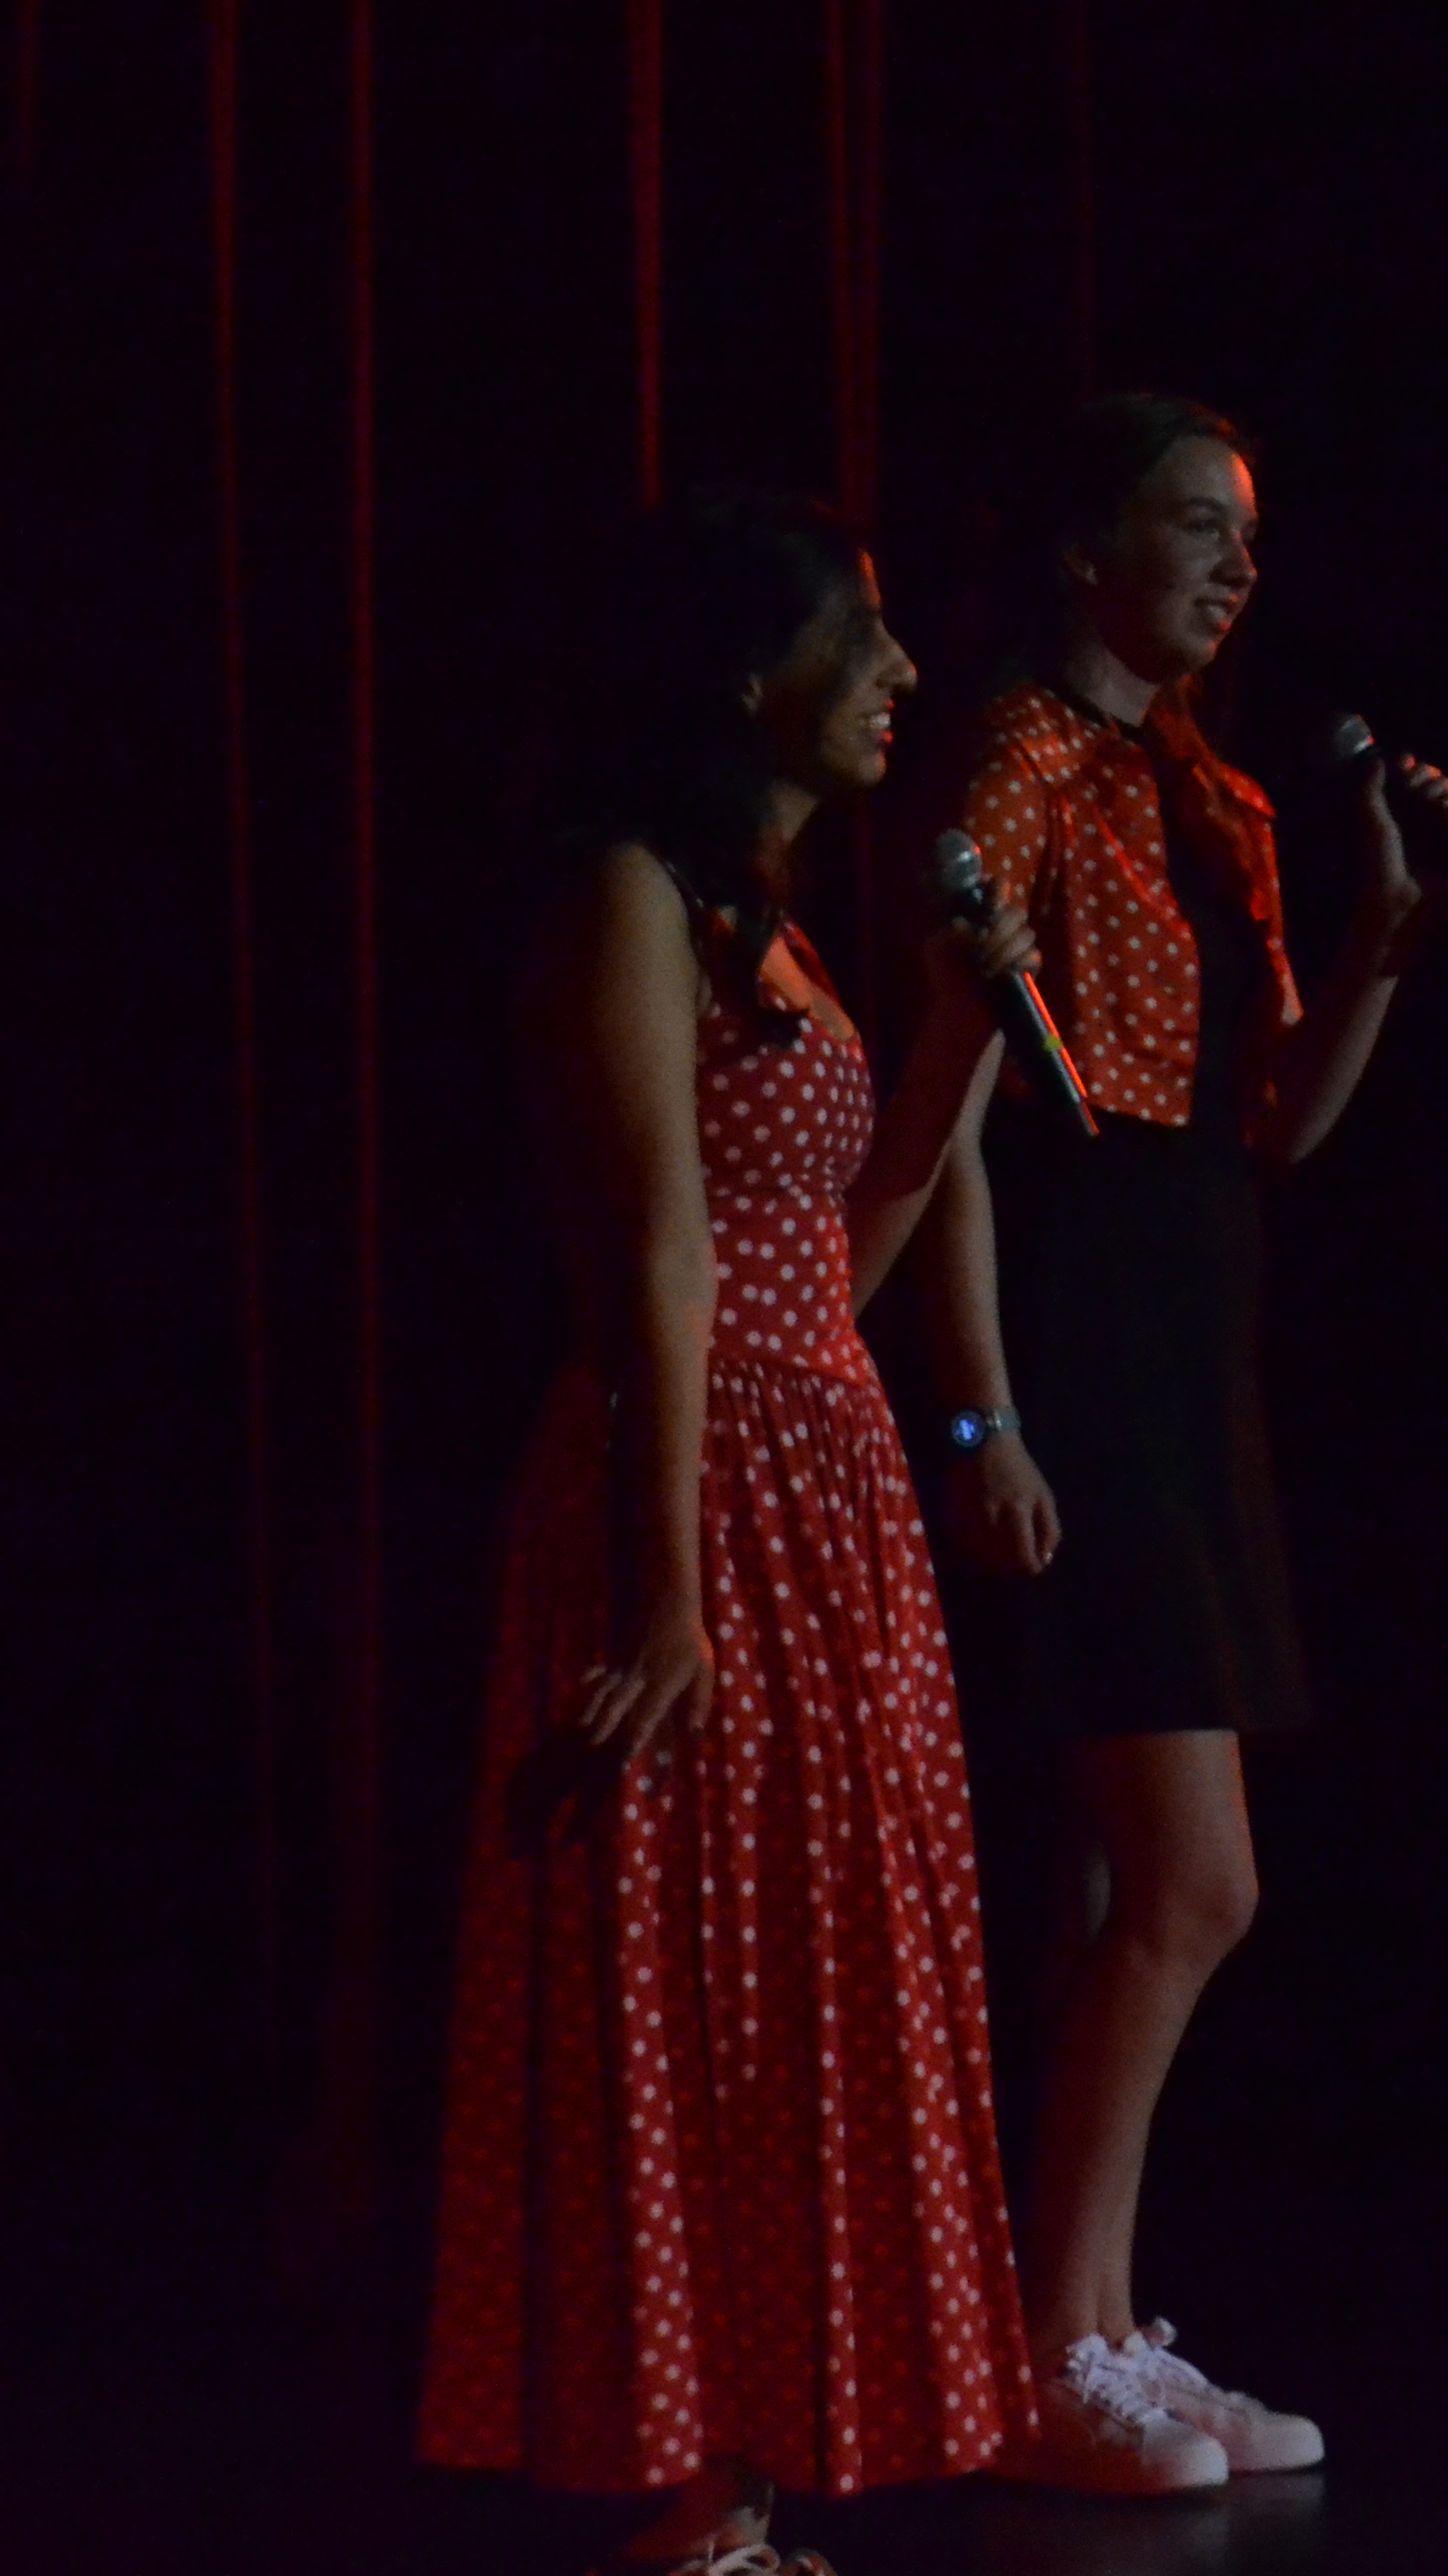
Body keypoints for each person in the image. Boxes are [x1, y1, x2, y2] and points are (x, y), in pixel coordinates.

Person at [417, 491, 1048, 2576]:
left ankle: (746, 2491)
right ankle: (685, 2497)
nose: (903, 675)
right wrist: (666, 1593)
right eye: (861, 643)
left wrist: (956, 1041)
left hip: (826, 1477)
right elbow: (664, 1262)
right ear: (745, 675)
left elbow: (826, 1269)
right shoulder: (623, 894)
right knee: (685, 1974)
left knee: (808, 1982)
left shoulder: (772, 927)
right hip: (686, 1480)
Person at [925, 394, 1448, 2492]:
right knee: (1191, 1879)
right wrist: (983, 1407)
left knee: (1120, 1885)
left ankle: (1080, 2325)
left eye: (1247, 533)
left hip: (1192, 1330)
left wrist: (1382, 945)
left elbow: (1277, 1129)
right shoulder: (1015, 760)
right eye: (1190, 526)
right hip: (1079, 1334)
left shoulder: (1214, 791)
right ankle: (1048, 2345)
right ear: (1084, 550)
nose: (1236, 567)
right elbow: (957, 1127)